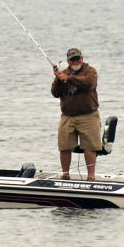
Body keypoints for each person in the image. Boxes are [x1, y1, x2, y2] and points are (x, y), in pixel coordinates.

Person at [50, 47, 101, 180]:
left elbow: (88, 84)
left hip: (88, 116)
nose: (75, 61)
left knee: (89, 147)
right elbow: (55, 93)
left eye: (77, 58)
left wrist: (69, 78)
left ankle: (91, 177)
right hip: (67, 117)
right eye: (72, 60)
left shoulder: (90, 71)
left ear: (82, 58)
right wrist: (58, 79)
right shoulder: (64, 73)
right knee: (64, 147)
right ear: (68, 61)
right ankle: (65, 175)